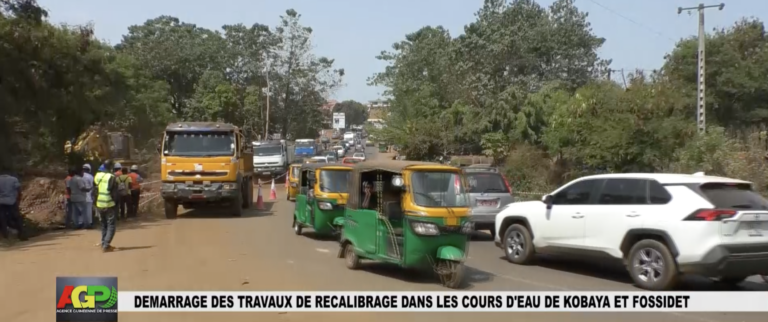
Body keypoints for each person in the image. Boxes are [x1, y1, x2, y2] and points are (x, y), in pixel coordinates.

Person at [94, 164, 117, 252]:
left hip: (99, 204)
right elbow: (114, 192)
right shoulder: (111, 177)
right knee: (111, 225)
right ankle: (106, 245)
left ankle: (104, 242)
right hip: (109, 203)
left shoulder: (97, 176)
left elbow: (95, 188)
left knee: (103, 225)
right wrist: (116, 202)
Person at [0, 166, 27, 241]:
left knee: (2, 218)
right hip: (12, 201)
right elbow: (19, 190)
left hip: (1, 202)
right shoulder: (13, 179)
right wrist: (18, 200)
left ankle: (5, 236)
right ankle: (22, 235)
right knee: (17, 217)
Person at [82, 164, 94, 228]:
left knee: (82, 210)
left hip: (81, 196)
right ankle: (89, 223)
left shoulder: (80, 176)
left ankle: (83, 223)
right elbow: (92, 186)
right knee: (89, 210)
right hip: (89, 195)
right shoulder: (90, 176)